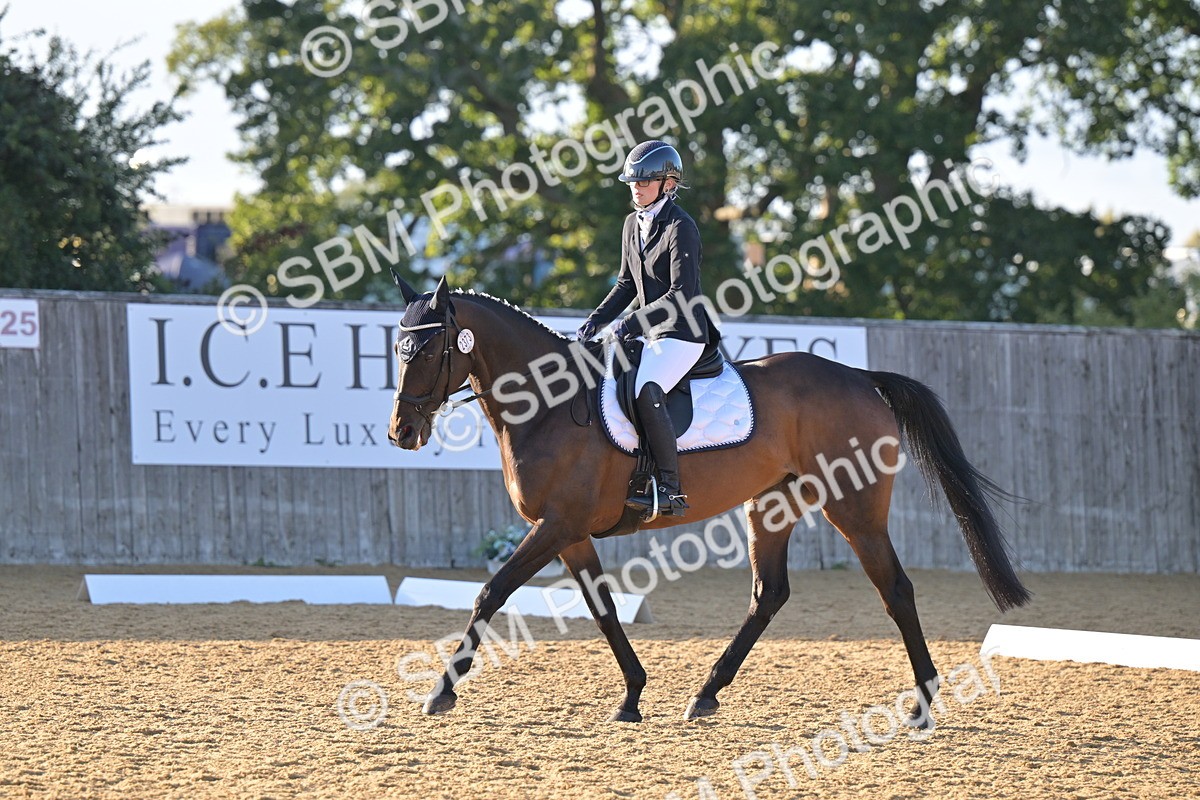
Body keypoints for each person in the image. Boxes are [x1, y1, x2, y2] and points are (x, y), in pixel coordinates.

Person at [576, 139, 721, 517]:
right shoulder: (631, 224)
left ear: (668, 184)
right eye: (632, 182)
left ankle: (671, 488)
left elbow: (681, 294)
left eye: (645, 181)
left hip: (684, 333)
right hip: (649, 332)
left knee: (646, 388)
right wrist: (597, 319)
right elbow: (626, 284)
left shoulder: (681, 227)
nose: (636, 188)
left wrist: (632, 323)